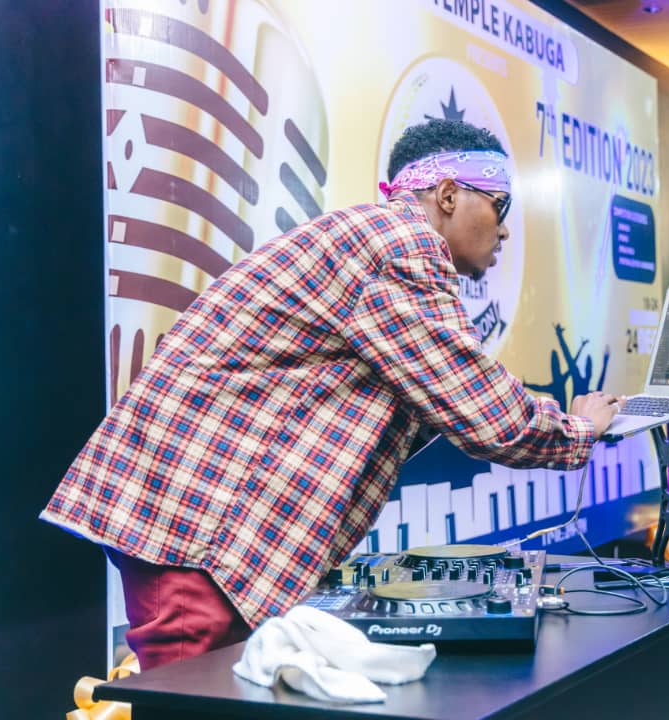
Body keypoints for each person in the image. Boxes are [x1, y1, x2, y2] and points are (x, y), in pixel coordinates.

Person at [40, 119, 622, 670]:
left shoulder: (370, 237)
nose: (505, 229)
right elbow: (480, 409)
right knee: (200, 701)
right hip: (198, 532)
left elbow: (436, 395)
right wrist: (580, 429)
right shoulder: (401, 247)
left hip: (190, 525)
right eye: (501, 207)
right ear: (448, 195)